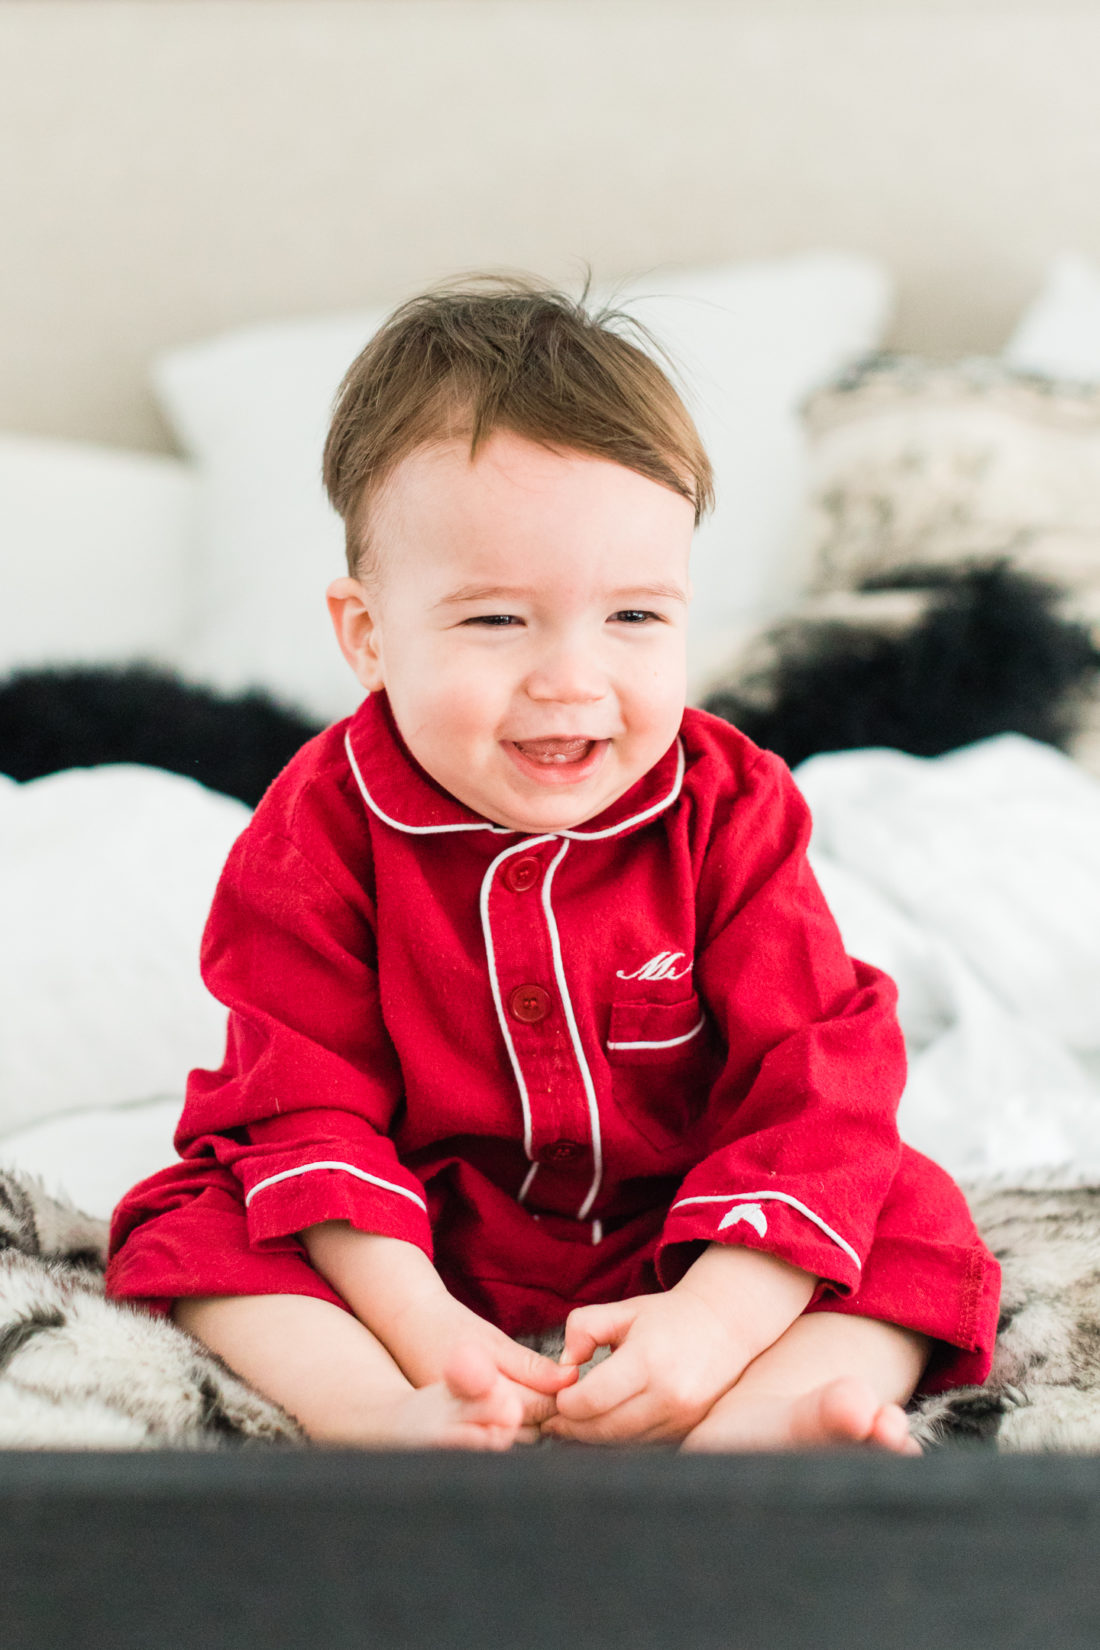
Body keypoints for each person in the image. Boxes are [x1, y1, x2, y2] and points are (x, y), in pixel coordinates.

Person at [106, 277, 1000, 1451]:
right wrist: (425, 1331)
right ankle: (385, 1419)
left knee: (910, 1216)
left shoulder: (730, 810)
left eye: (634, 619)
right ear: (367, 637)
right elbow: (300, 1107)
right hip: (412, 1231)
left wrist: (715, 1320)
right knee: (194, 1219)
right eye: (495, 621)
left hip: (680, 1221)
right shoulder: (317, 828)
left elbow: (811, 1079)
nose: (570, 679)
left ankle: (757, 1425)